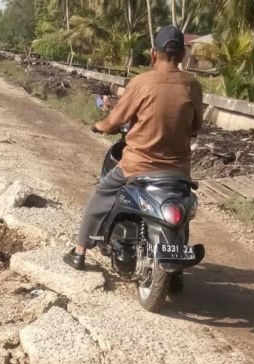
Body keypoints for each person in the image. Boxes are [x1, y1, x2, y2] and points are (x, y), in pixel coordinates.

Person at [64, 25, 203, 271]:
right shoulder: (193, 86)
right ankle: (177, 267)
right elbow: (195, 127)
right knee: (183, 209)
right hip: (178, 171)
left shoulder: (141, 82)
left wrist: (100, 126)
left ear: (153, 54)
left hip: (137, 166)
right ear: (182, 55)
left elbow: (114, 120)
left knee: (101, 194)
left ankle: (80, 251)